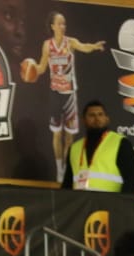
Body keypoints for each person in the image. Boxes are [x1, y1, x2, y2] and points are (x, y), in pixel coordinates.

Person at [28, 11, 106, 183]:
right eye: (60, 23)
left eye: (64, 23)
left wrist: (94, 46)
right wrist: (31, 69)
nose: (63, 26)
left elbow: (84, 47)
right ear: (52, 26)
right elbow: (41, 68)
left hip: (70, 94)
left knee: (69, 136)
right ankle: (59, 169)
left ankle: (67, 167)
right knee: (57, 134)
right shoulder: (47, 45)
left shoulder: (70, 43)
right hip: (55, 94)